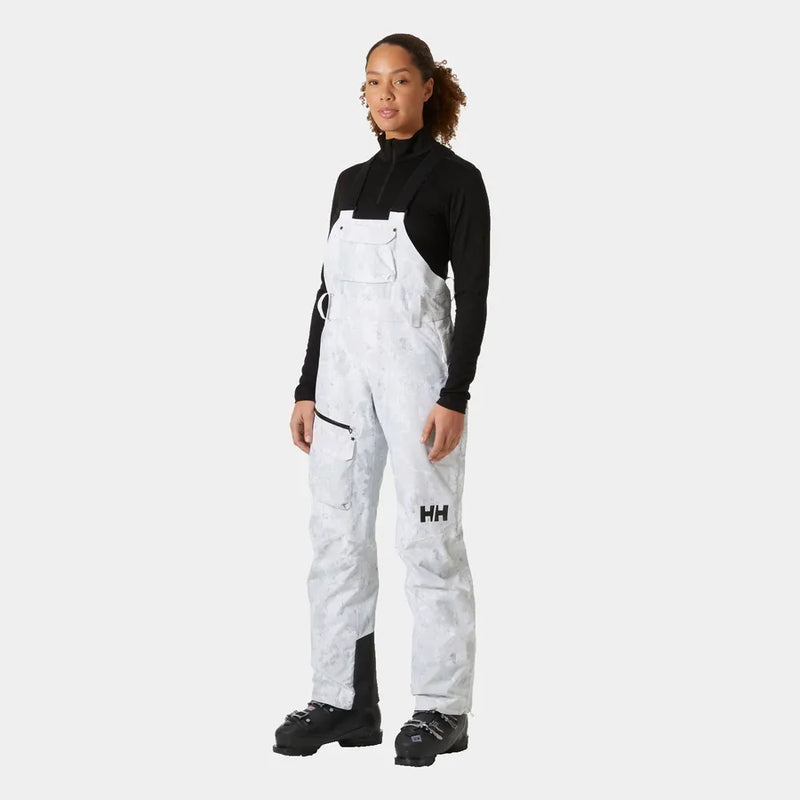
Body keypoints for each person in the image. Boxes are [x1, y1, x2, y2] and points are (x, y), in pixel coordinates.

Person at [274, 33, 491, 768]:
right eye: (373, 82)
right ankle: (343, 701)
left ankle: (441, 707)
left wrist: (455, 394)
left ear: (428, 87)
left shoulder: (457, 182)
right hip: (340, 387)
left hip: (420, 387)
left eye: (400, 80)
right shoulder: (349, 183)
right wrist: (307, 386)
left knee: (429, 541)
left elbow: (474, 297)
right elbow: (327, 294)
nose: (386, 94)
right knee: (335, 537)